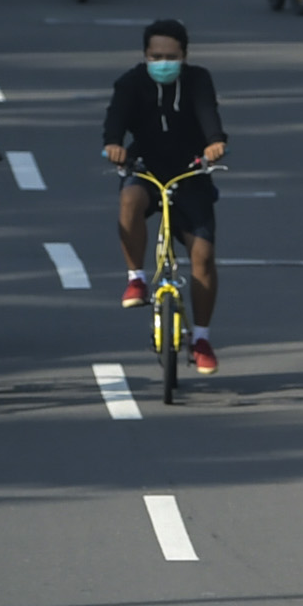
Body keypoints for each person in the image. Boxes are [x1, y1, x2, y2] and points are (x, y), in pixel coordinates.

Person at [101, 21, 229, 375]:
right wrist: (112, 144)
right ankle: (136, 278)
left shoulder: (198, 80)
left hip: (190, 172)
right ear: (145, 56)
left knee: (203, 255)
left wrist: (215, 142)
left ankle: (201, 339)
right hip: (145, 167)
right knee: (130, 200)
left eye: (171, 57)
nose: (163, 63)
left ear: (184, 57)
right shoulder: (131, 83)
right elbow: (115, 121)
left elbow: (208, 115)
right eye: (156, 56)